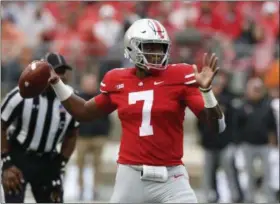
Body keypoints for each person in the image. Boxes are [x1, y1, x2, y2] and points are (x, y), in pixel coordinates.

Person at [47, 19, 226, 203]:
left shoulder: (180, 75)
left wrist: (206, 92)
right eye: (150, 47)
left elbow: (217, 125)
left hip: (171, 176)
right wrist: (57, 84)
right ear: (132, 47)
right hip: (130, 174)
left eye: (160, 48)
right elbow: (84, 111)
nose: (157, 54)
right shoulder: (118, 79)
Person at [1, 52, 79, 203]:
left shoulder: (71, 98)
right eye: (56, 71)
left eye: (63, 72)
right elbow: (1, 125)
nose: (61, 76)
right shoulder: (20, 94)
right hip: (19, 157)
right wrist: (6, 162)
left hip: (48, 160)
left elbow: (72, 133)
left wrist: (60, 163)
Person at [197, 71, 243, 202]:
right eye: (214, 84)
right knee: (209, 172)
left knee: (230, 170)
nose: (217, 87)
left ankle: (235, 195)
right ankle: (211, 195)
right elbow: (199, 122)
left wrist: (233, 140)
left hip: (225, 142)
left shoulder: (228, 100)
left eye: (218, 84)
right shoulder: (204, 100)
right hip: (209, 143)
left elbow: (234, 122)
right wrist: (202, 136)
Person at [235, 77, 277, 202]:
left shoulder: (267, 105)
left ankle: (270, 198)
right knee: (249, 173)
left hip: (264, 145)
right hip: (248, 144)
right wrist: (238, 142)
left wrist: (274, 141)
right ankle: (249, 198)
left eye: (259, 89)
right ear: (248, 90)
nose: (257, 91)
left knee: (267, 173)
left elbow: (272, 125)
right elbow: (238, 125)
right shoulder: (243, 105)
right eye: (255, 89)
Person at [76, 74, 111, 200]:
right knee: (80, 164)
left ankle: (96, 188)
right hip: (82, 137)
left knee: (98, 165)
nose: (90, 86)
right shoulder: (78, 98)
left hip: (98, 137)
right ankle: (80, 189)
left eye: (92, 83)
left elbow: (108, 117)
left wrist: (105, 133)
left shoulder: (102, 97)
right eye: (87, 83)